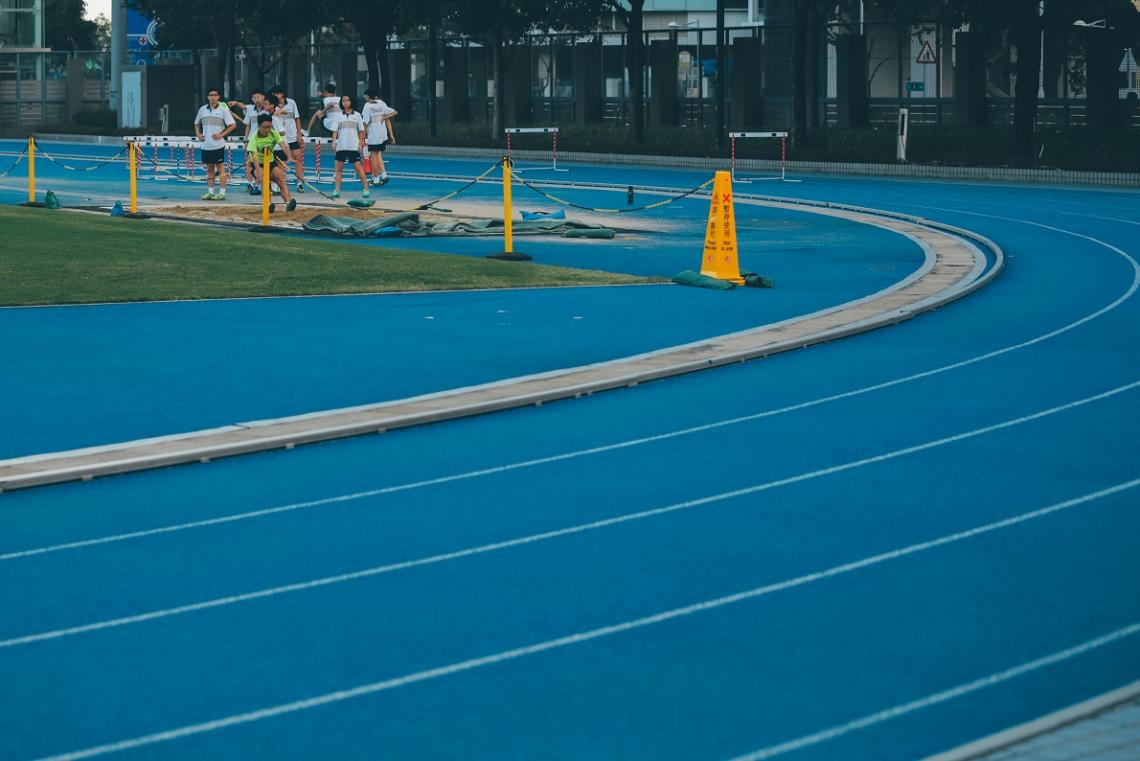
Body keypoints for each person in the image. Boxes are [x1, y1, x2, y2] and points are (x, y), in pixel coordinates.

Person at [246, 114, 297, 213]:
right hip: (257, 164)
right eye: (264, 127)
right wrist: (258, 171)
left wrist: (289, 157)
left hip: (270, 162)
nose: (267, 130)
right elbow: (254, 156)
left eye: (269, 127)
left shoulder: (273, 133)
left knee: (280, 177)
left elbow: (283, 145)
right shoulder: (254, 137)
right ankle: (268, 205)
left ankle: (288, 203)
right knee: (265, 180)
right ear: (259, 126)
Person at [193, 87, 236, 201]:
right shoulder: (202, 110)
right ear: (208, 97)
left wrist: (221, 134)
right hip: (205, 145)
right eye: (210, 95)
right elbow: (196, 123)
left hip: (218, 145)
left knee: (220, 168)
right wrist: (198, 134)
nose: (213, 97)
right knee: (209, 169)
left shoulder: (223, 110)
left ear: (218, 97)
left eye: (215, 95)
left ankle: (222, 192)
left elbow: (232, 125)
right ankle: (210, 192)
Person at [229, 90, 273, 194]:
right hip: (252, 142)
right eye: (253, 98)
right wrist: (246, 140)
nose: (255, 99)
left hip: (265, 141)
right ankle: (252, 184)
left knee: (265, 164)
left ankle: (267, 186)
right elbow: (248, 126)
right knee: (250, 164)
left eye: (257, 97)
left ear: (263, 97)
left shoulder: (268, 110)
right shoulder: (250, 109)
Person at [330, 93, 369, 199]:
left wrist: (360, 143)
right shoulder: (338, 116)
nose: (345, 102)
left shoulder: (357, 115)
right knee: (338, 169)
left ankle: (366, 189)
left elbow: (361, 131)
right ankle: (336, 190)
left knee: (358, 168)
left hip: (353, 146)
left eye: (347, 100)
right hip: (341, 146)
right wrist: (334, 142)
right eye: (343, 101)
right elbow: (335, 130)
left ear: (351, 102)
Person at [270, 84, 306, 192]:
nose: (275, 96)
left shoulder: (291, 103)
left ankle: (299, 184)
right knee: (280, 163)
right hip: (281, 139)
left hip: (292, 137)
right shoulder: (272, 106)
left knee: (297, 160)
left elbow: (297, 119)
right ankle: (277, 185)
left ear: (282, 94)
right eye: (274, 94)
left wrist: (299, 134)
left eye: (277, 94)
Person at [361, 89, 398, 187]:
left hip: (374, 135)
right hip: (382, 135)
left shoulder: (367, 106)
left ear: (367, 96)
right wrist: (385, 118)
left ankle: (376, 179)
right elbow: (394, 112)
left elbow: (365, 123)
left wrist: (361, 137)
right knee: (378, 156)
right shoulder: (381, 103)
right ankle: (384, 175)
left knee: (373, 157)